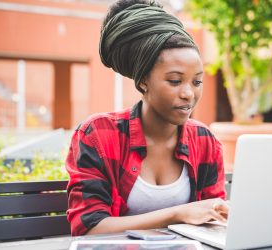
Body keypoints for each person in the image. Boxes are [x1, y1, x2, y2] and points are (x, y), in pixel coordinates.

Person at [65, 0, 228, 236]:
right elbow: (88, 227)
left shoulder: (205, 141)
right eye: (175, 80)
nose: (188, 93)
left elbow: (214, 220)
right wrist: (177, 213)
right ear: (143, 81)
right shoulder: (97, 135)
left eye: (197, 81)